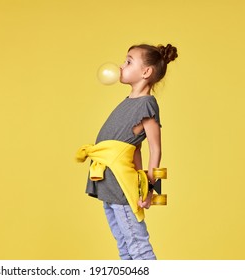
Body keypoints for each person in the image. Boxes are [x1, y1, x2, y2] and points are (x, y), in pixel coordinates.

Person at [76, 43, 178, 260]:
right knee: (124, 247)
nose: (121, 66)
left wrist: (151, 189)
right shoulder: (127, 103)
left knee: (138, 248)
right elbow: (135, 148)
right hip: (108, 181)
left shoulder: (147, 104)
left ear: (146, 72)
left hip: (121, 185)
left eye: (128, 62)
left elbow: (155, 149)